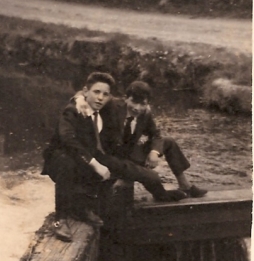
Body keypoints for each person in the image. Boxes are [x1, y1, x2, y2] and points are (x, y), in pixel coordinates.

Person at [42, 72, 186, 242]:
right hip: (62, 158)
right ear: (86, 92)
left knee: (110, 166)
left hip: (89, 154)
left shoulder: (104, 108)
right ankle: (61, 218)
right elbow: (68, 140)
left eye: (105, 94)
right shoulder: (74, 110)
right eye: (96, 92)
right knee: (69, 161)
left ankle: (82, 208)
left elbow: (153, 133)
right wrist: (78, 98)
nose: (100, 98)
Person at [75, 80, 207, 197]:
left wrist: (154, 152)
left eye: (142, 104)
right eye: (134, 102)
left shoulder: (145, 113)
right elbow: (86, 93)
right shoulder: (112, 105)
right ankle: (135, 183)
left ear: (147, 104)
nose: (137, 108)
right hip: (111, 158)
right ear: (126, 98)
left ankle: (185, 185)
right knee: (147, 176)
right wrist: (79, 99)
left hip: (130, 153)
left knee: (169, 142)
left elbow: (156, 134)